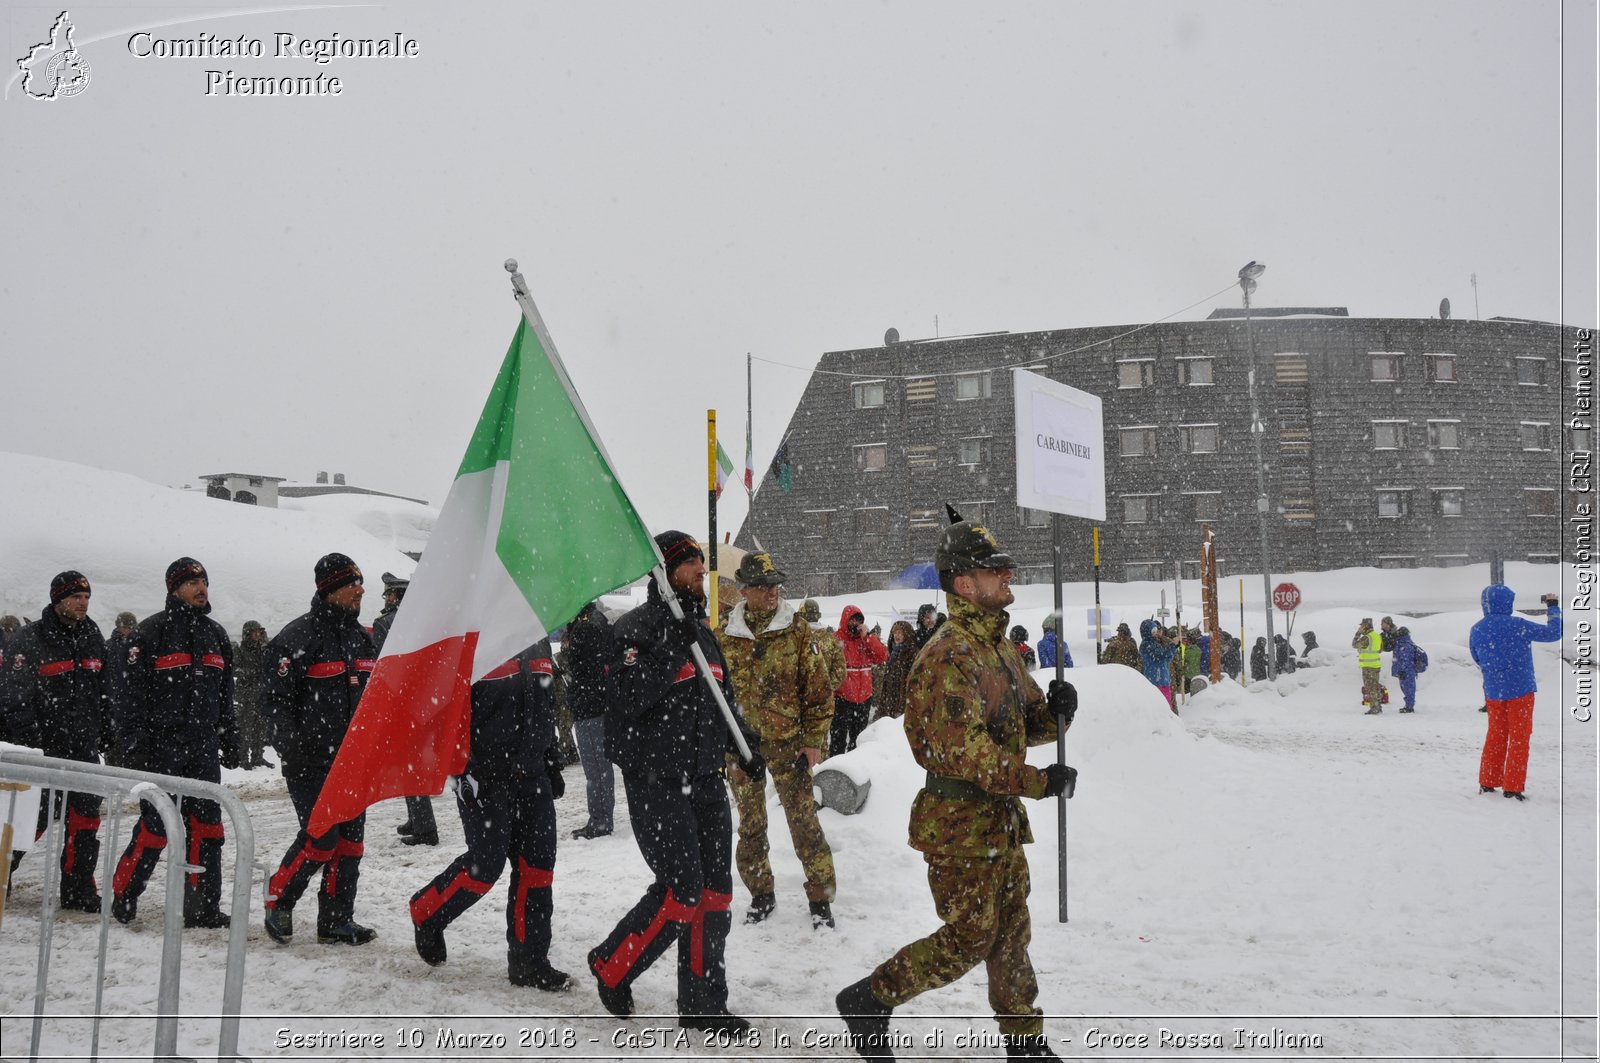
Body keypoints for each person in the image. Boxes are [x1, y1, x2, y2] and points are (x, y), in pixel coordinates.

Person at [835, 518, 1076, 1061]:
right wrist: (1039, 783)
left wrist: (1057, 714)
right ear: (964, 584)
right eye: (995, 570)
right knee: (971, 938)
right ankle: (871, 997)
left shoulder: (997, 647)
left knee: (1012, 932)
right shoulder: (950, 654)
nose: (1008, 576)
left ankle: (1025, 1043)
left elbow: (1020, 727)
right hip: (959, 824)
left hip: (1001, 820)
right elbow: (962, 751)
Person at [586, 531, 764, 1035]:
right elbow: (625, 698)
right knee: (681, 892)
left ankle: (704, 1004)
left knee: (715, 895)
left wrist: (747, 748)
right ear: (664, 572)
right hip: (657, 783)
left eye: (702, 563)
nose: (700, 573)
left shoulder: (703, 633)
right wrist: (670, 648)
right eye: (690, 564)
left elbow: (724, 702)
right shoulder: (633, 630)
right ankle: (612, 964)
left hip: (706, 780)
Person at [410, 641, 570, 988]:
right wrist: (461, 771)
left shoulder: (536, 636)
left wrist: (552, 759)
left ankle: (529, 961)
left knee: (537, 869)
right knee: (485, 866)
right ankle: (427, 911)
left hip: (533, 774)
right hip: (485, 776)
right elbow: (442, 710)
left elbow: (547, 706)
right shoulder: (473, 638)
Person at [111, 558, 239, 928]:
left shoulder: (216, 635)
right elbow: (128, 696)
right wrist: (136, 742)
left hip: (202, 749)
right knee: (157, 827)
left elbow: (224, 693)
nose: (201, 588)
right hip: (160, 749)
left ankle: (201, 906)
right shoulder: (150, 633)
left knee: (207, 828)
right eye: (192, 582)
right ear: (174, 588)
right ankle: (123, 892)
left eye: (204, 581)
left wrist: (229, 736)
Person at [261, 553, 380, 946]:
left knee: (350, 844)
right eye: (352, 583)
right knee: (320, 840)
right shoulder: (296, 639)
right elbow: (274, 702)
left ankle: (335, 919)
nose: (360, 589)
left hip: (354, 763)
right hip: (311, 763)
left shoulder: (364, 638)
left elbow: (377, 698)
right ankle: (279, 899)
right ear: (329, 589)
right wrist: (294, 749)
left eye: (360, 582)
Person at [718, 551, 836, 929]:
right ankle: (761, 894)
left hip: (789, 744)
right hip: (742, 747)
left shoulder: (797, 631)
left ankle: (821, 899)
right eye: (764, 586)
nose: (773, 592)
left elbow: (819, 693)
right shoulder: (725, 635)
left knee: (804, 824)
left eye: (775, 585)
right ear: (744, 590)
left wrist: (814, 739)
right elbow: (716, 694)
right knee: (751, 826)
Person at [2, 571, 113, 911]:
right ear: (58, 599)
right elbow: (13, 699)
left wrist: (106, 730)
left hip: (83, 750)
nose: (83, 603)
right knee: (29, 822)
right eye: (76, 596)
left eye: (87, 597)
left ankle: (78, 888)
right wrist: (32, 743)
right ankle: (1, 876)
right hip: (44, 753)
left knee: (85, 821)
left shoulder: (93, 635)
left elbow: (105, 689)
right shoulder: (29, 639)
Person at [1470, 587, 1562, 800]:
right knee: (1519, 738)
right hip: (1521, 690)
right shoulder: (1517, 625)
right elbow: (1553, 633)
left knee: (1495, 736)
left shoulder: (1477, 629)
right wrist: (1553, 607)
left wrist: (1495, 671)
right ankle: (1512, 787)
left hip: (1494, 691)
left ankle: (1488, 781)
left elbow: (1477, 658)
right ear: (1508, 603)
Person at [373, 572, 438, 847]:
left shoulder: (384, 624)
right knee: (412, 764)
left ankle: (425, 828)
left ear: (397, 596)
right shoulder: (423, 622)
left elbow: (382, 668)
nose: (386, 598)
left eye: (389, 594)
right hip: (421, 702)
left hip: (399, 703)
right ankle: (417, 818)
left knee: (409, 765)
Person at [566, 599, 616, 839]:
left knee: (596, 768)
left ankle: (601, 819)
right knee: (598, 768)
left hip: (590, 707)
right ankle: (600, 817)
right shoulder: (595, 622)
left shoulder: (586, 628)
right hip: (594, 704)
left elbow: (584, 668)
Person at [831, 605, 888, 756]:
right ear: (845, 620)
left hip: (864, 699)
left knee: (859, 740)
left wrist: (868, 637)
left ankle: (855, 770)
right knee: (838, 740)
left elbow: (882, 656)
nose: (855, 623)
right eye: (852, 620)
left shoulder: (866, 640)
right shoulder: (836, 639)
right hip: (842, 699)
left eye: (858, 620)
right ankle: (835, 770)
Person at [234, 620, 273, 768]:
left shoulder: (264, 648)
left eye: (259, 631)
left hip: (261, 695)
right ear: (247, 633)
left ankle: (258, 757)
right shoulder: (239, 649)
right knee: (246, 729)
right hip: (247, 696)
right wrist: (249, 673)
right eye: (254, 631)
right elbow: (234, 668)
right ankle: (243, 759)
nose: (257, 634)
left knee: (260, 729)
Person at [801, 599, 847, 695]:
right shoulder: (831, 639)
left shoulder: (795, 638)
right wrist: (826, 688)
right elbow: (840, 671)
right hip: (823, 699)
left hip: (799, 698)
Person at [876, 621, 918, 721]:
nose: (896, 636)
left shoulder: (913, 653)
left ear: (906, 635)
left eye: (900, 633)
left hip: (906, 701)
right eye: (895, 633)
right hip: (890, 701)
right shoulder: (892, 653)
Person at [1138, 620, 1177, 712]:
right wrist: (1172, 645)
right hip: (1155, 680)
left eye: (1156, 629)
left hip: (1163, 680)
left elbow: (1166, 659)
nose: (1156, 633)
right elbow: (1161, 655)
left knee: (1167, 708)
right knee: (1160, 710)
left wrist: (1174, 647)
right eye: (1153, 630)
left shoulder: (1155, 643)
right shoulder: (1146, 644)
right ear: (1147, 631)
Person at [1353, 618, 1384, 714]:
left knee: (1370, 687)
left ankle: (1374, 708)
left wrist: (1357, 634)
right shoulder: (1377, 636)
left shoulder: (1367, 637)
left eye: (1362, 626)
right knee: (1374, 686)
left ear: (1366, 626)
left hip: (1368, 666)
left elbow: (1354, 644)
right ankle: (1377, 706)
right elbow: (1380, 649)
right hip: (1375, 665)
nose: (1360, 627)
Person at [1390, 626, 1419, 713]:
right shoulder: (1403, 643)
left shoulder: (1405, 644)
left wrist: (1402, 670)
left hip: (1407, 671)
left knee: (1408, 689)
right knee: (1407, 689)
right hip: (1406, 670)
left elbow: (1405, 659)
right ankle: (1408, 705)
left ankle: (1409, 707)